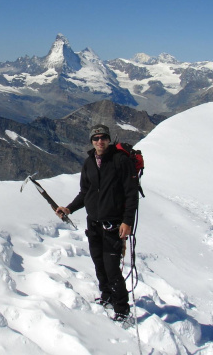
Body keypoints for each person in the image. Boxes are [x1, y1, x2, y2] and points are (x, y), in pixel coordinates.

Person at [56, 124, 139, 320]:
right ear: (91, 141)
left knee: (112, 268)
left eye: (103, 137)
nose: (99, 141)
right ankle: (107, 295)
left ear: (109, 139)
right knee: (99, 263)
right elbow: (86, 192)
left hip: (114, 225)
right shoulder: (89, 163)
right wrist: (69, 208)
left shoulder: (121, 161)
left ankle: (122, 308)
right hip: (93, 223)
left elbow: (131, 194)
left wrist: (128, 222)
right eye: (96, 138)